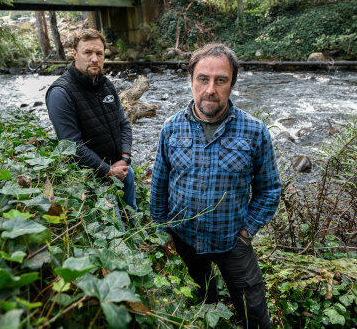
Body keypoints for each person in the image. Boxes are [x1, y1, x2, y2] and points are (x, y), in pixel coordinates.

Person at [150, 43, 281, 328]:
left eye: (221, 80)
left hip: (232, 240)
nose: (211, 89)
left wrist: (246, 232)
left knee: (255, 313)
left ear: (232, 83)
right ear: (191, 80)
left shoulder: (254, 131)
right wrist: (162, 229)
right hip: (184, 238)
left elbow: (269, 189)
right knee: (201, 302)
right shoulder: (171, 128)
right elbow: (159, 184)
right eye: (203, 79)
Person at [45, 28, 136, 211]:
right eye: (88, 52)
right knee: (114, 228)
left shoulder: (106, 85)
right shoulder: (60, 93)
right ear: (75, 54)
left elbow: (124, 124)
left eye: (99, 53)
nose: (94, 58)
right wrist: (107, 171)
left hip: (122, 169)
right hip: (90, 180)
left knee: (132, 214)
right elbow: (72, 145)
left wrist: (125, 159)